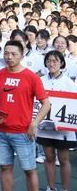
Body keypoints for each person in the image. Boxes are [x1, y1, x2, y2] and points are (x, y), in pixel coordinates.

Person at [0, 40, 51, 191]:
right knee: (5, 168)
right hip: (1, 131)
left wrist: (34, 123)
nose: (9, 57)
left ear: (22, 56)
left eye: (13, 54)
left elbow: (46, 103)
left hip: (23, 132)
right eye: (6, 53)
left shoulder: (31, 77)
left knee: (29, 170)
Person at [37, 50, 76, 191]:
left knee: (64, 159)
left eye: (55, 61)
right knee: (49, 157)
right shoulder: (40, 81)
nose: (51, 63)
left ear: (61, 63)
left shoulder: (69, 83)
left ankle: (65, 189)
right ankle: (51, 187)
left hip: (62, 130)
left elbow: (73, 105)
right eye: (49, 61)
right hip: (44, 128)